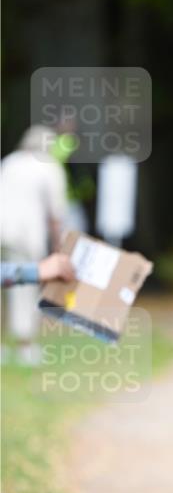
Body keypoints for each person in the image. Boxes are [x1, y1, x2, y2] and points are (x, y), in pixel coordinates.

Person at [0, 125, 69, 364]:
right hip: (26, 236)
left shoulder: (9, 162)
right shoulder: (49, 167)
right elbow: (56, 213)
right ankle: (25, 345)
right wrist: (59, 247)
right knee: (24, 287)